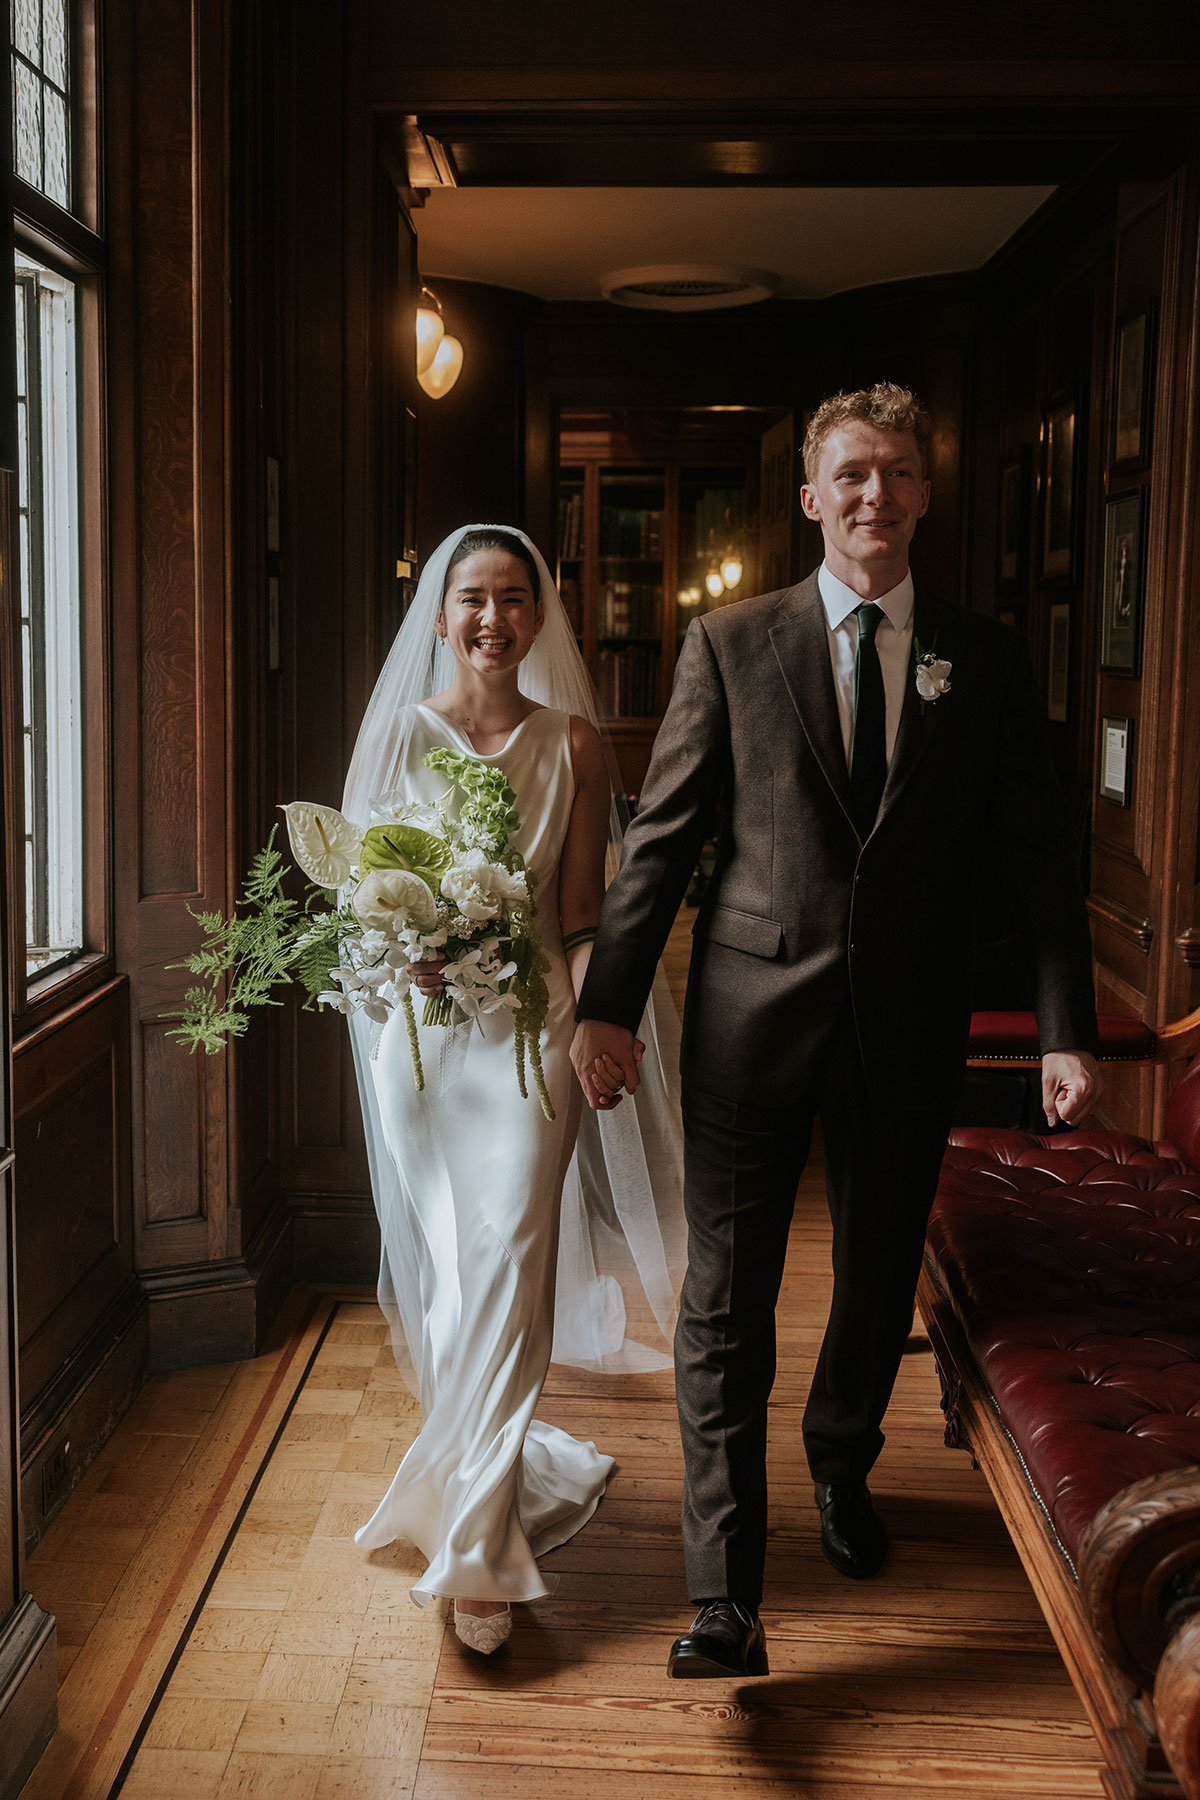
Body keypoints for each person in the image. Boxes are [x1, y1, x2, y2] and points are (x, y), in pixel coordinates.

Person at [571, 383, 1102, 1679]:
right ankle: (724, 1595)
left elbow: (1040, 860)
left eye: (900, 472)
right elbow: (662, 845)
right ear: (812, 498)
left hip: (910, 1029)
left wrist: (1062, 1030)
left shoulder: (981, 660)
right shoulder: (727, 646)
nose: (877, 494)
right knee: (724, 1304)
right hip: (750, 1021)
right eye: (852, 473)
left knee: (871, 1288)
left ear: (927, 494)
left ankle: (841, 1464)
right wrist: (606, 1005)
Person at [343, 524, 683, 1655]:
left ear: (539, 617)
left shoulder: (576, 745)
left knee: (509, 1270)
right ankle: (477, 1467)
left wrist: (600, 1019)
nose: (493, 618)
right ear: (438, 616)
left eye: (514, 599)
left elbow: (581, 915)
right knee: (454, 1277)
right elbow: (354, 907)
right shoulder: (397, 736)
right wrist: (407, 952)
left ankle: (479, 1554)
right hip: (424, 1050)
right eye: (472, 598)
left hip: (529, 1040)